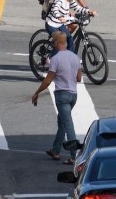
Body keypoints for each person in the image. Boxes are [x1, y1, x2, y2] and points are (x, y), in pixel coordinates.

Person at [31, 31, 82, 162]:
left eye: (53, 41)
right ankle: (55, 151)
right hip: (73, 96)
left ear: (57, 42)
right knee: (63, 123)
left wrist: (37, 93)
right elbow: (79, 78)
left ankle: (74, 156)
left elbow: (48, 80)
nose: (52, 43)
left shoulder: (56, 59)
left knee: (68, 125)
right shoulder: (75, 57)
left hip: (62, 96)